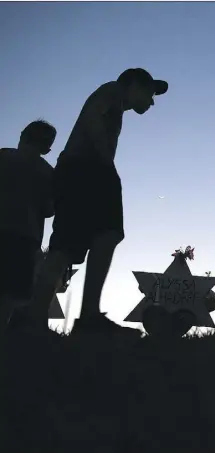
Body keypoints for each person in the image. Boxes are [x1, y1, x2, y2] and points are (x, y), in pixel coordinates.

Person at [9, 68, 168, 336]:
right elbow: (93, 114)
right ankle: (89, 318)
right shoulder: (113, 91)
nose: (151, 101)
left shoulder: (115, 102)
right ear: (134, 85)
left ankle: (31, 317)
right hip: (88, 169)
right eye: (150, 93)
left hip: (74, 170)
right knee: (108, 233)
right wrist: (105, 162)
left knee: (66, 244)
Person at [0, 121, 57, 331]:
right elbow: (50, 209)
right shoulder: (48, 173)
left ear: (22, 135)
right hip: (25, 238)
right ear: (47, 149)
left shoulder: (3, 156)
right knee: (10, 295)